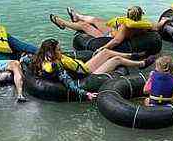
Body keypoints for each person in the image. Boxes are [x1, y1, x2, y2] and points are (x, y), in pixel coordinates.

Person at [22, 38, 155, 101]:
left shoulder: (37, 59)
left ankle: (135, 56)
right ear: (51, 51)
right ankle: (141, 64)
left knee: (106, 52)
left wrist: (21, 61)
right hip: (87, 75)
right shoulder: (56, 66)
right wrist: (86, 94)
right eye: (58, 49)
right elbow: (69, 83)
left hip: (82, 68)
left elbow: (25, 60)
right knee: (116, 60)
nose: (61, 51)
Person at [51, 6, 157, 51]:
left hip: (107, 37)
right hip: (111, 32)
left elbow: (116, 41)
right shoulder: (144, 25)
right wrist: (163, 22)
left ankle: (63, 23)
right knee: (96, 20)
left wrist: (103, 48)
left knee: (84, 26)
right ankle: (77, 16)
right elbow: (156, 26)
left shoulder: (126, 26)